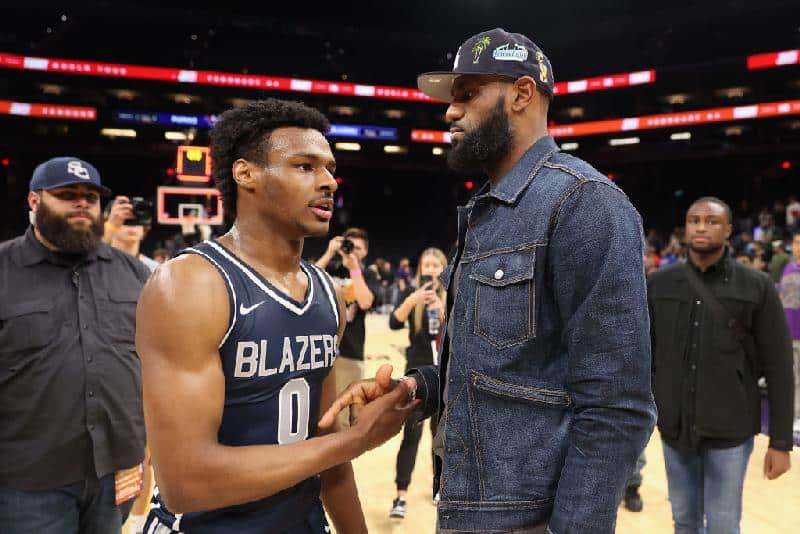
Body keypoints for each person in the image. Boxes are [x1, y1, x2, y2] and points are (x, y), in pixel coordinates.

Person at [323, 28, 656, 533]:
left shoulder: (585, 203)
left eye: (467, 94)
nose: (450, 112)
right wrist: (417, 388)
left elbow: (617, 406)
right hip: (467, 506)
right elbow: (500, 370)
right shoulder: (487, 211)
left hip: (529, 520)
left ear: (523, 93)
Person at [136, 99, 416, 533]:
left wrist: (344, 450)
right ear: (245, 173)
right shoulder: (191, 285)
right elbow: (185, 482)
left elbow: (326, 450)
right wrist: (354, 440)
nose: (328, 182)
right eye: (305, 166)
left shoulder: (326, 292)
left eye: (329, 168)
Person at [0, 157, 150, 533]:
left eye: (90, 196)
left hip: (115, 469)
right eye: (67, 195)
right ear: (34, 202)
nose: (82, 203)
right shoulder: (4, 269)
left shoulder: (132, 272)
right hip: (27, 479)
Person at [648, 197, 794, 533]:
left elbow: (780, 368)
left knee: (724, 525)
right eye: (694, 220)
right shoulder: (659, 284)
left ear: (728, 230)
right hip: (675, 430)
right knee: (683, 521)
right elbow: (647, 355)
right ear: (684, 228)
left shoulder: (756, 286)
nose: (701, 226)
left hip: (731, 432)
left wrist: (781, 442)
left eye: (711, 221)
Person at [388, 248, 447, 519]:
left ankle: (440, 488)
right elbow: (393, 322)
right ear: (420, 268)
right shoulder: (413, 296)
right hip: (415, 376)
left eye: (437, 265)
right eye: (427, 264)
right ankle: (400, 496)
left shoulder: (451, 296)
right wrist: (413, 300)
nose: (431, 269)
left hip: (444, 375)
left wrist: (443, 310)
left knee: (441, 437)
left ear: (444, 268)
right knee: (411, 435)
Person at [315, 227, 380, 428]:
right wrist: (329, 252)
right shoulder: (332, 268)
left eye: (358, 248)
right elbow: (308, 282)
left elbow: (366, 302)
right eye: (349, 246)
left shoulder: (368, 273)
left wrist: (354, 268)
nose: (353, 251)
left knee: (342, 420)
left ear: (366, 252)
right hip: (322, 350)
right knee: (318, 414)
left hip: (350, 354)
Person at [778, 229, 800, 432]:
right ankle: (796, 416)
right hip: (788, 333)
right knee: (793, 377)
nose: (797, 246)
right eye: (795, 242)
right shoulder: (789, 268)